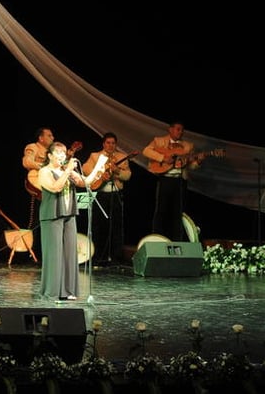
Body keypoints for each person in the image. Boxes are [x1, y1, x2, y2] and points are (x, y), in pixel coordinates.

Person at [38, 141, 99, 302]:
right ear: (50, 156)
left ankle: (67, 290)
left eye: (63, 153)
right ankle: (52, 292)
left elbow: (85, 183)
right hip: (52, 216)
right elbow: (55, 187)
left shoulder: (67, 170)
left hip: (69, 215)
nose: (62, 156)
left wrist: (99, 169)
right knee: (54, 255)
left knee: (69, 254)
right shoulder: (44, 171)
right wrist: (68, 171)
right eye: (58, 153)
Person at [142, 121, 205, 242]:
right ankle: (157, 239)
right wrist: (163, 158)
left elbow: (191, 166)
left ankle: (178, 241)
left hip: (180, 181)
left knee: (179, 212)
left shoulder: (188, 146)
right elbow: (146, 151)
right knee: (161, 211)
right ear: (170, 129)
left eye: (182, 130)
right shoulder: (159, 141)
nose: (180, 132)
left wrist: (198, 162)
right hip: (165, 178)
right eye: (178, 129)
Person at [81, 132, 134, 266]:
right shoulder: (95, 156)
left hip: (115, 193)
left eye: (113, 143)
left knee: (116, 227)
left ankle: (116, 257)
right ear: (103, 144)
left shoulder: (122, 157)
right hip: (100, 193)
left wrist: (116, 171)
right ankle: (96, 256)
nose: (111, 145)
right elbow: (85, 169)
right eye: (108, 143)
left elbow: (127, 176)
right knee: (98, 226)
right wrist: (100, 173)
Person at [22, 127, 54, 228]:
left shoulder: (52, 152)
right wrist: (44, 167)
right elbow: (27, 162)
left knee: (47, 221)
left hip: (48, 188)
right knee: (34, 221)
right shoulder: (33, 147)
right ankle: (31, 243)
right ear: (41, 138)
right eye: (49, 135)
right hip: (35, 187)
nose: (52, 138)